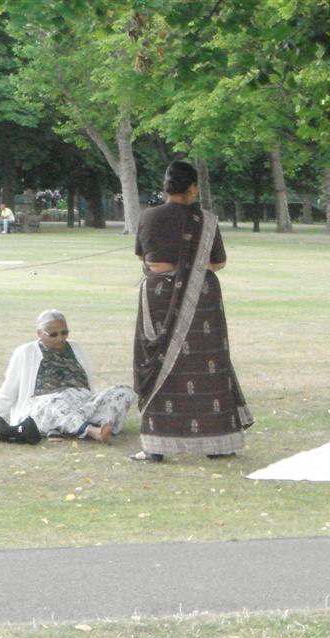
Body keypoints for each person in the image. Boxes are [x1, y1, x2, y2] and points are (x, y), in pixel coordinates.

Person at [131, 160, 253, 463]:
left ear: (166, 188)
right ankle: (218, 444)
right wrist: (191, 269)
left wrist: (172, 268)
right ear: (192, 188)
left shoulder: (149, 217)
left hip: (158, 295)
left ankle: (156, 447)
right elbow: (219, 262)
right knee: (207, 363)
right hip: (201, 297)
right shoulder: (206, 220)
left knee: (159, 362)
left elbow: (142, 256)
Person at [0, 310, 134, 443]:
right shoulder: (25, 352)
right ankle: (92, 432)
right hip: (43, 407)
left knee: (123, 391)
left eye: (64, 333)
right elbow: (7, 393)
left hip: (81, 404)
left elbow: (89, 386)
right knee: (57, 402)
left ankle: (102, 425)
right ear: (40, 334)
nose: (60, 338)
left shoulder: (76, 348)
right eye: (54, 334)